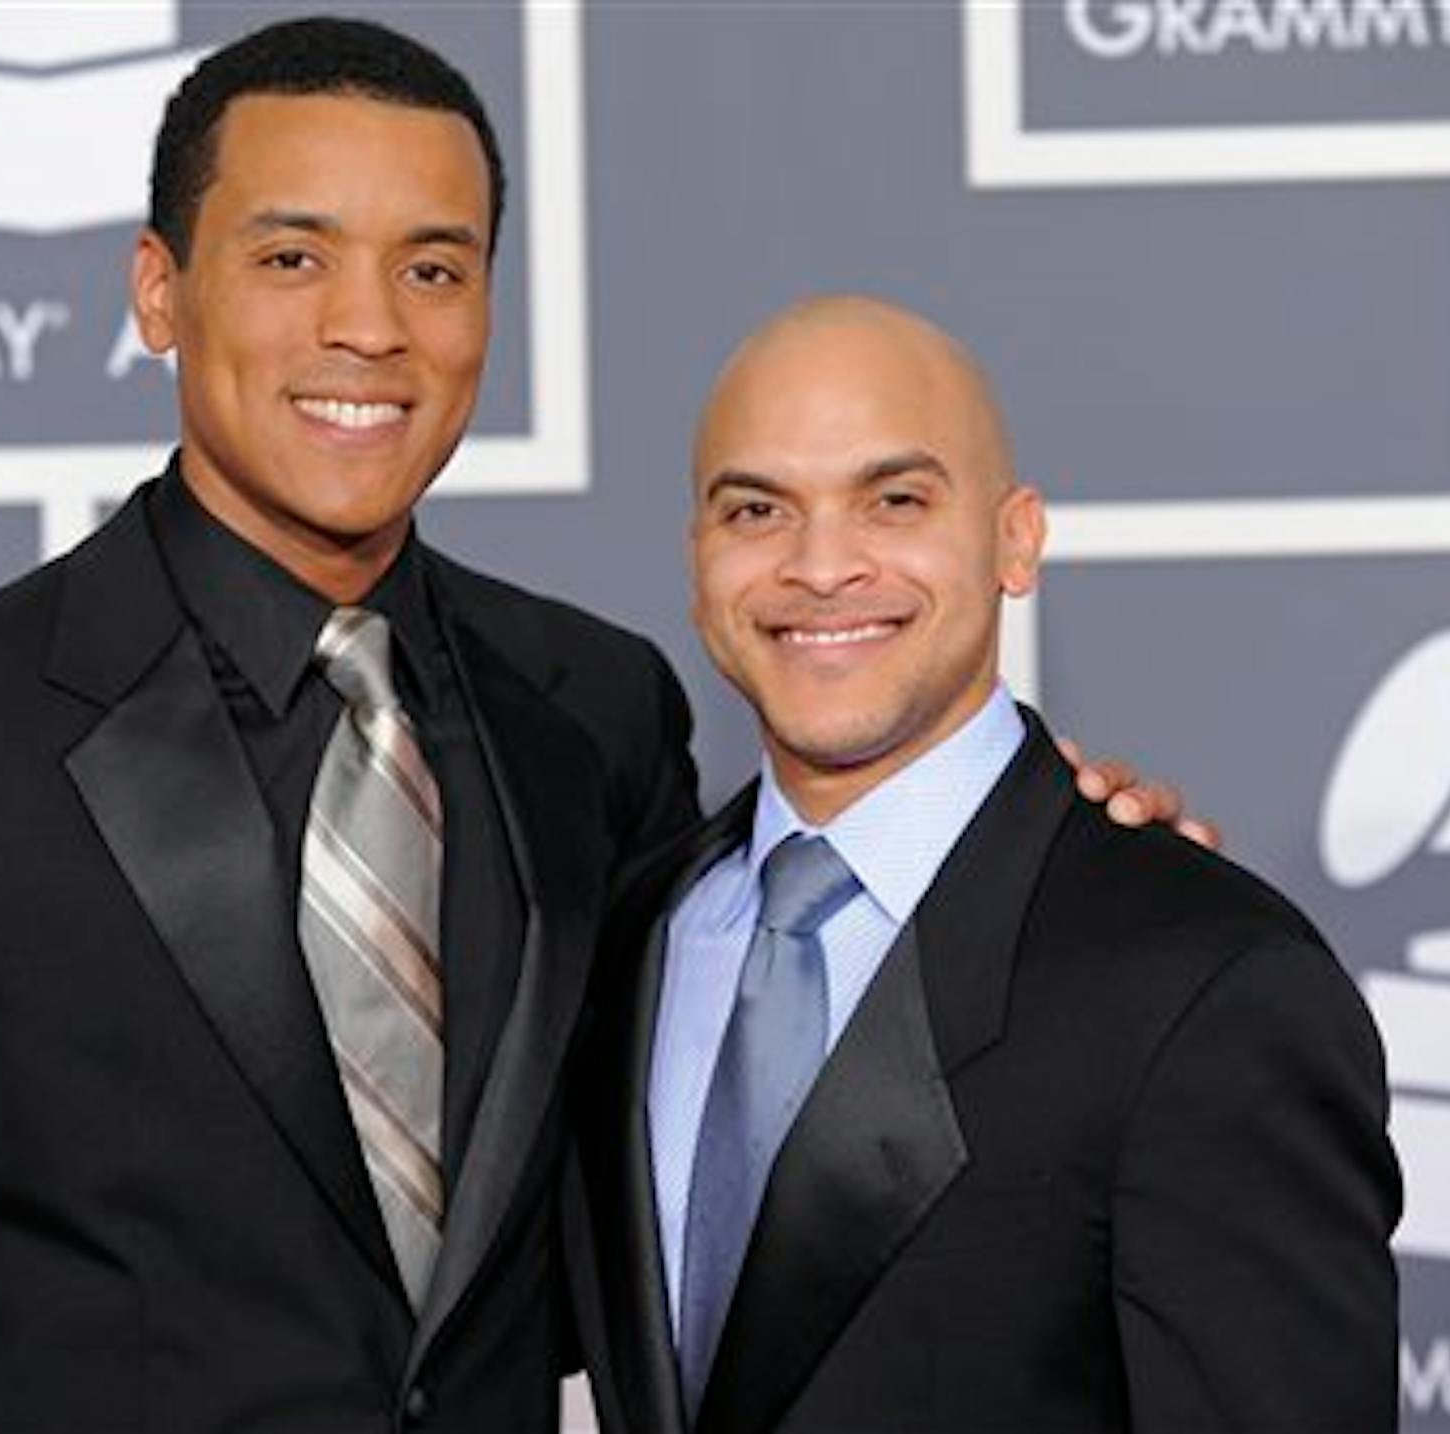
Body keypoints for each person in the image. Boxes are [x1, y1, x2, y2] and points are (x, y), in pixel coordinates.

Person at [0, 20, 1193, 1433]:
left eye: (433, 268)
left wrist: (1046, 864)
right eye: (293, 257)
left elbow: (724, 1123)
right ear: (159, 289)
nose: (369, 328)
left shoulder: (594, 711)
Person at [573, 297, 1402, 1433]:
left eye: (895, 500)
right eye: (757, 509)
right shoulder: (629, 941)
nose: (821, 566)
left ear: (1016, 540)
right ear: (698, 559)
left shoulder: (1209, 983)